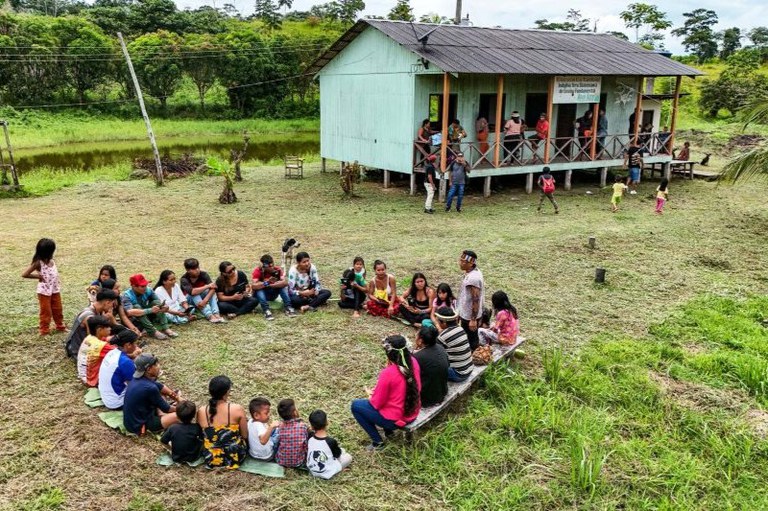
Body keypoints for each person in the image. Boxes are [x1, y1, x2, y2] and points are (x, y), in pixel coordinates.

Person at [351, 335, 421, 450]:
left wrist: (370, 394)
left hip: (396, 420)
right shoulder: (414, 362)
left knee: (356, 405)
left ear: (389, 354)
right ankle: (388, 433)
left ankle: (378, 442)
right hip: (413, 411)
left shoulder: (388, 373)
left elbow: (377, 403)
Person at [197, 375, 248, 469]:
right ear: (227, 392)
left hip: (211, 458)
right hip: (235, 458)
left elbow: (201, 434)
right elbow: (245, 435)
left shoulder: (201, 411)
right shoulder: (237, 409)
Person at [123, 354, 180, 435]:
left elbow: (160, 386)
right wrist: (182, 408)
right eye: (156, 365)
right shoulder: (150, 388)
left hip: (132, 421)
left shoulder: (137, 379)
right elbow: (167, 408)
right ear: (149, 369)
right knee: (179, 416)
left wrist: (177, 397)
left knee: (160, 392)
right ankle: (161, 424)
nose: (159, 366)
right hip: (140, 426)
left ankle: (162, 416)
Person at [22, 238, 66, 336]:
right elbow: (25, 274)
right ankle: (44, 330)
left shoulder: (51, 261)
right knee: (46, 312)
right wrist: (38, 276)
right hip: (44, 291)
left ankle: (60, 326)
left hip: (55, 289)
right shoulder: (38, 263)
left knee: (58, 309)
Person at [64, 288, 118, 359]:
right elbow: (92, 340)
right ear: (107, 302)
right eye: (112, 304)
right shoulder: (89, 316)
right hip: (78, 350)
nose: (112, 307)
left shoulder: (98, 310)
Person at [122, 274, 177, 340]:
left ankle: (166, 328)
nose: (145, 288)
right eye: (142, 286)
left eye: (145, 285)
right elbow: (129, 312)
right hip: (134, 321)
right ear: (134, 286)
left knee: (156, 303)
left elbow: (157, 302)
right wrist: (150, 310)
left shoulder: (148, 290)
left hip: (146, 316)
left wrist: (165, 307)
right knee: (136, 306)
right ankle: (153, 331)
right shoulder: (127, 295)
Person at [98, 329, 140, 409]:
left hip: (107, 397)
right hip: (117, 402)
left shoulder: (112, 352)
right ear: (128, 345)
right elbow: (134, 386)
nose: (136, 346)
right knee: (149, 388)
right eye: (135, 343)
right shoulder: (125, 362)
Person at [307, 409, 352, 479]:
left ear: (312, 426)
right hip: (327, 472)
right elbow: (337, 455)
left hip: (313, 471)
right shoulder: (331, 441)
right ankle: (336, 471)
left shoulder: (310, 437)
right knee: (348, 456)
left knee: (341, 451)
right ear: (327, 422)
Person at [251, 254, 297, 320]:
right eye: (269, 266)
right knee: (259, 289)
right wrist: (267, 283)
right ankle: (266, 310)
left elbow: (285, 282)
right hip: (262, 295)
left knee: (282, 286)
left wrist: (273, 284)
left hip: (273, 293)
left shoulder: (277, 270)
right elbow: (254, 286)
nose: (272, 268)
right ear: (263, 266)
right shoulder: (258, 271)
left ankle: (288, 307)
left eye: (272, 265)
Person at [413, 325, 449, 407]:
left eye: (417, 335)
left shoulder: (417, 357)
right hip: (442, 392)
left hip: (426, 399)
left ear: (420, 340)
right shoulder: (441, 348)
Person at [180, 258, 224, 323]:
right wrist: (207, 286)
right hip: (188, 300)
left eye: (197, 267)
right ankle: (209, 315)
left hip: (201, 300)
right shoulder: (184, 279)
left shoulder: (203, 274)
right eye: (194, 269)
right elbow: (192, 292)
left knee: (211, 292)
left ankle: (216, 314)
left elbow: (213, 288)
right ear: (188, 270)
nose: (197, 270)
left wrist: (205, 300)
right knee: (195, 294)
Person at [434, 308, 473, 382]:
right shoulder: (460, 329)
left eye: (438, 321)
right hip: (469, 369)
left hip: (458, 374)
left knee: (430, 365)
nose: (437, 323)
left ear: (444, 323)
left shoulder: (443, 337)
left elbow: (433, 353)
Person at [457, 250, 485, 351]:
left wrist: (473, 319)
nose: (460, 263)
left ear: (471, 263)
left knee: (472, 340)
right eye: (460, 260)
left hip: (470, 316)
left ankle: (475, 355)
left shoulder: (473, 278)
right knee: (467, 337)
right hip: (466, 313)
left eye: (463, 261)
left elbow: (475, 299)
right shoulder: (472, 272)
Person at [76, 315, 113, 385]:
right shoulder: (101, 346)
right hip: (92, 380)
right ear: (99, 330)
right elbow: (121, 353)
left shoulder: (89, 337)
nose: (110, 329)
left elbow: (107, 339)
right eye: (107, 327)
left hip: (83, 375)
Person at [274, 398, 309, 468]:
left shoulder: (280, 427)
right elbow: (305, 445)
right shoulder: (303, 427)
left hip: (280, 461)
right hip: (298, 462)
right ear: (295, 412)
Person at [247, 397, 278, 461]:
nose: (269, 415)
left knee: (275, 431)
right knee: (279, 435)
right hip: (266, 456)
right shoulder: (259, 426)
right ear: (256, 415)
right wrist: (271, 427)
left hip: (253, 454)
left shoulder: (250, 421)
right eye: (266, 413)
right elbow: (263, 441)